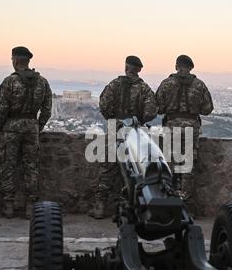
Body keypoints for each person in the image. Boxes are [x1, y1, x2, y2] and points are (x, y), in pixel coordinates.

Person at [90, 55, 157, 219]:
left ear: (126, 67)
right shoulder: (144, 89)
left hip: (115, 128)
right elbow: (151, 112)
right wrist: (138, 119)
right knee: (134, 170)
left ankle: (99, 207)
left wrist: (114, 119)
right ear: (139, 69)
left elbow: (104, 105)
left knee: (108, 168)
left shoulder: (114, 85)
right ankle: (131, 210)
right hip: (135, 132)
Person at [0, 46, 52, 219]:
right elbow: (47, 110)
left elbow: (0, 109)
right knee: (32, 167)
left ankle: (8, 206)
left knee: (8, 166)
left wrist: (2, 127)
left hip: (11, 127)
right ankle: (30, 207)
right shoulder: (42, 82)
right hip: (31, 128)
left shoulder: (9, 82)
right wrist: (37, 126)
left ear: (16, 60)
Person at [156, 55, 214, 216]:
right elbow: (207, 109)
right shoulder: (199, 85)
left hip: (171, 127)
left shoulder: (167, 84)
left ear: (176, 66)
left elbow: (158, 108)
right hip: (191, 128)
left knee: (169, 164)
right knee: (187, 166)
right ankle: (184, 205)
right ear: (191, 68)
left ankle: (168, 202)